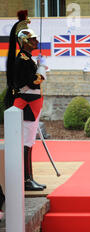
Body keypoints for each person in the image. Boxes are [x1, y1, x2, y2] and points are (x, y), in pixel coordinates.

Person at [4, 10, 48, 191]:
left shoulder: (27, 59)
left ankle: (29, 178)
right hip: (28, 105)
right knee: (26, 143)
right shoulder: (22, 59)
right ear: (25, 42)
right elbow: (33, 82)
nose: (36, 42)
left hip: (31, 105)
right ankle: (26, 180)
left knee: (29, 143)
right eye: (33, 40)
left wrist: (37, 65)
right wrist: (42, 68)